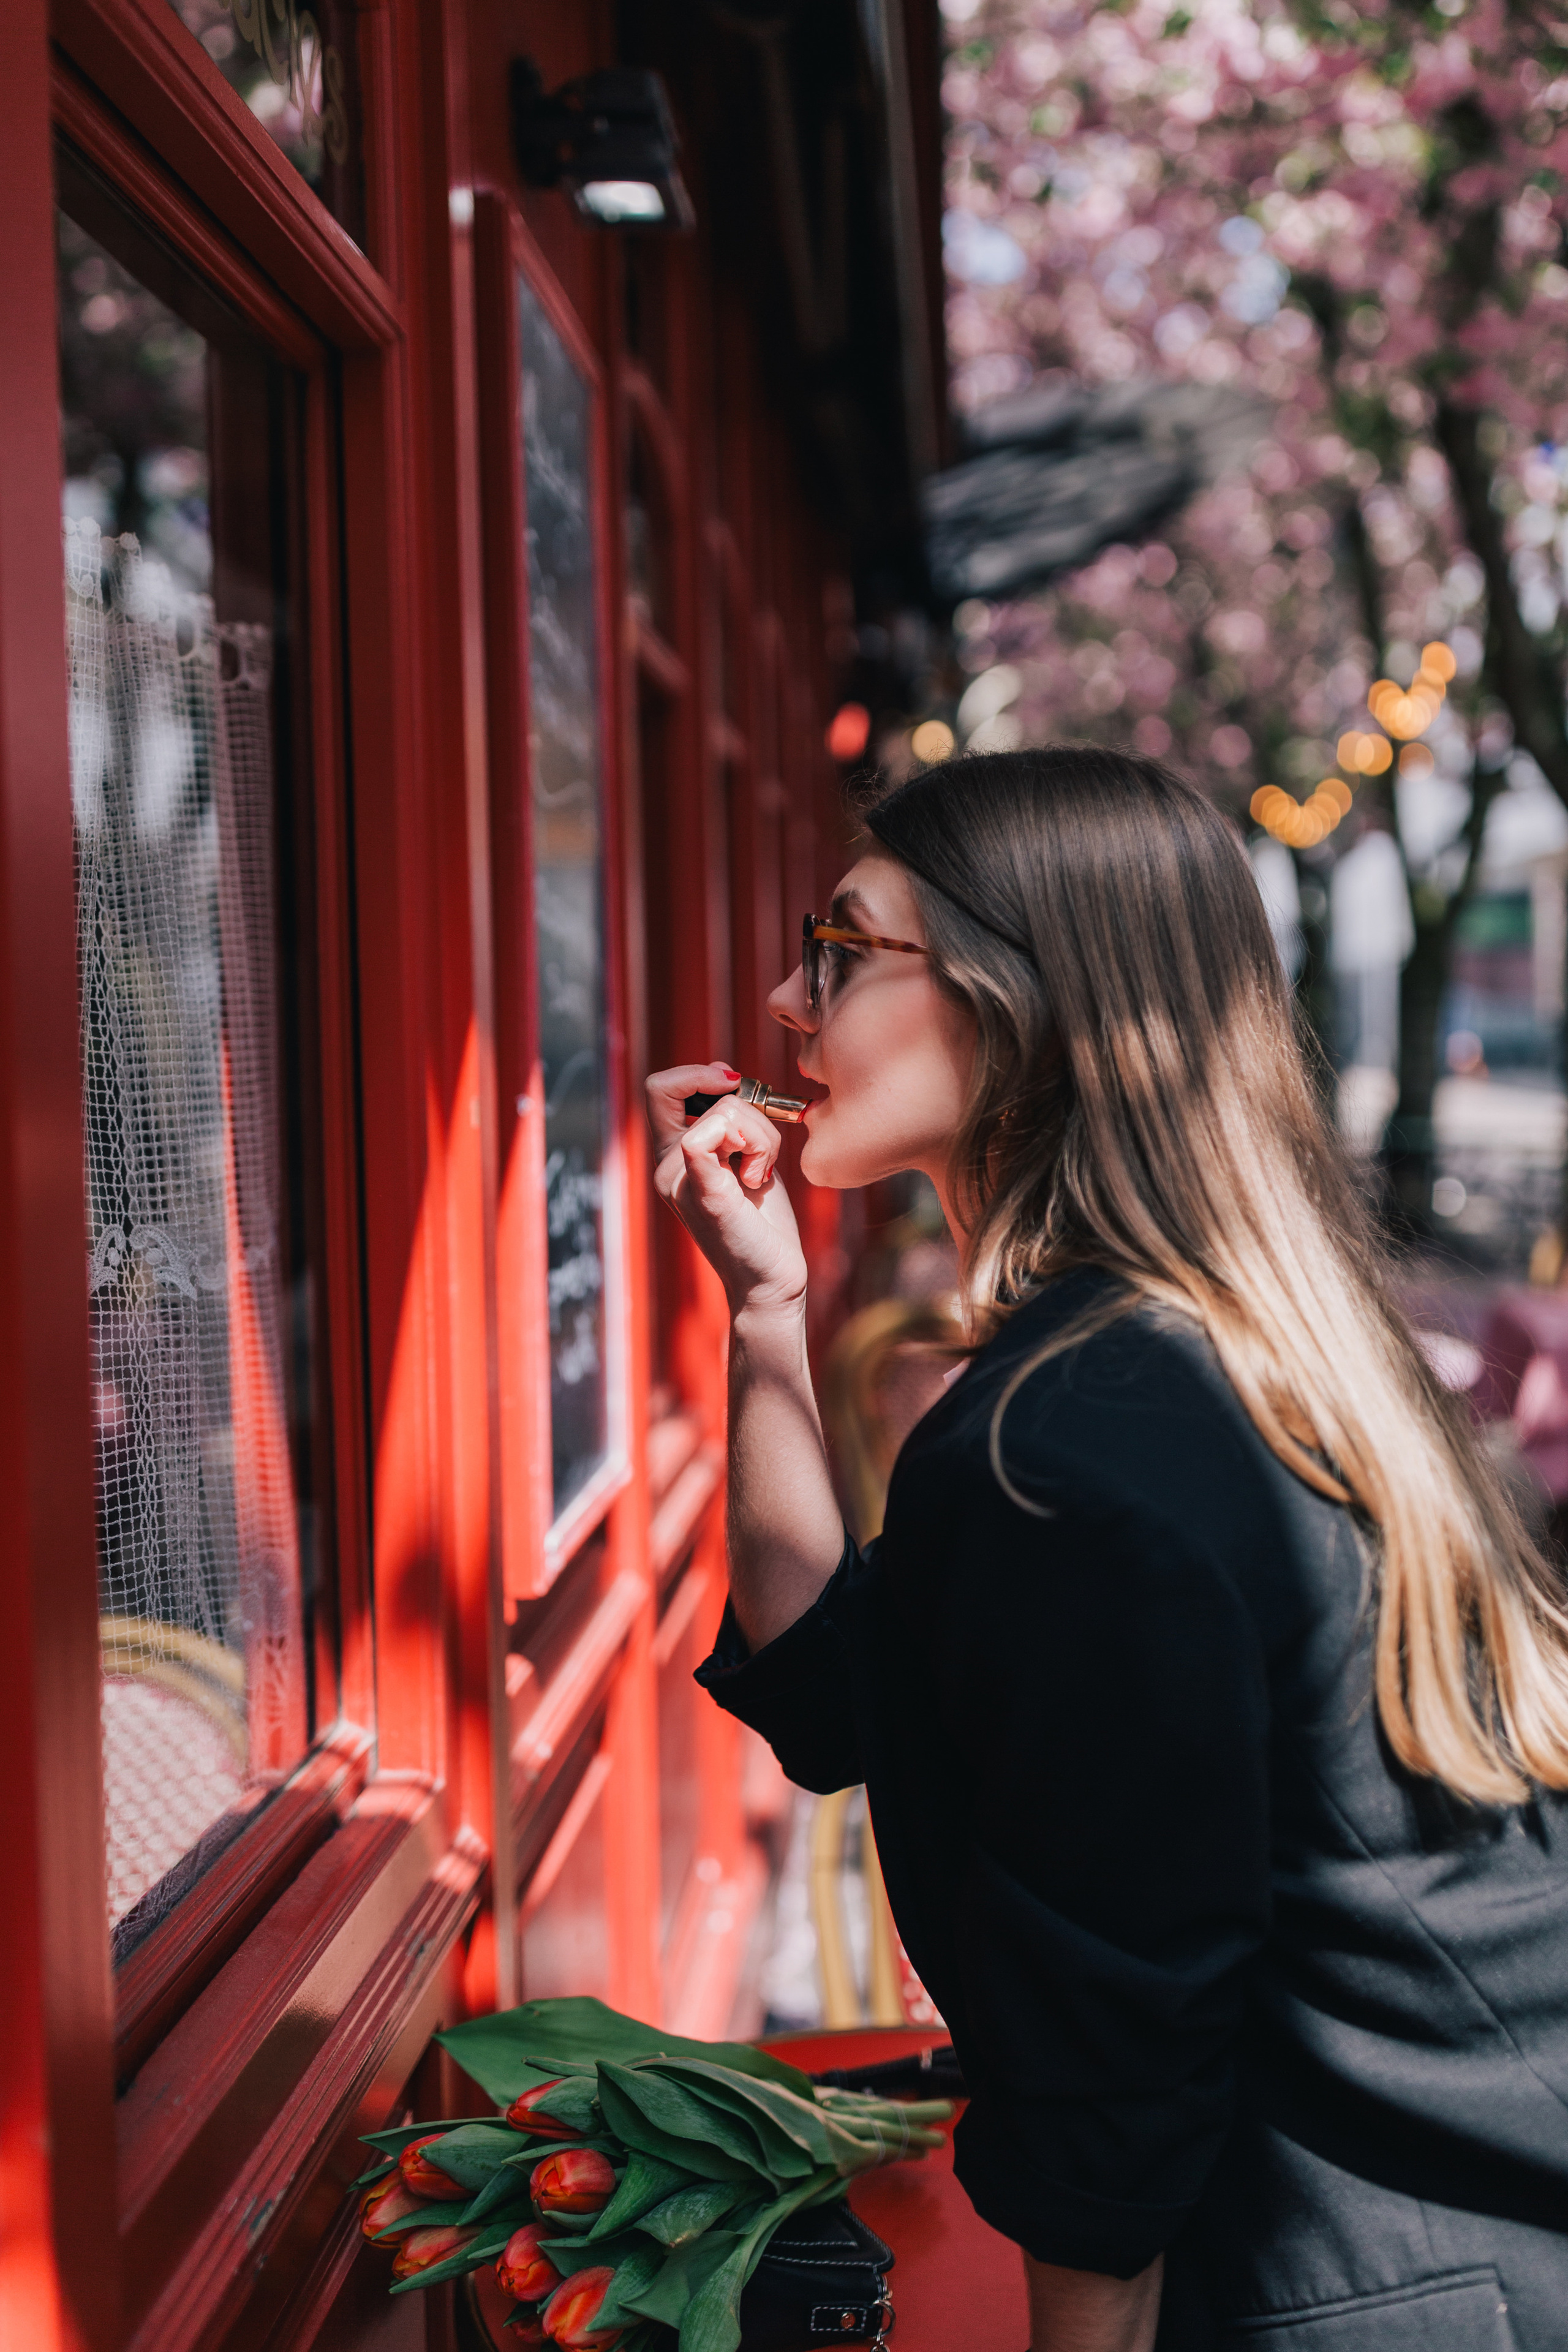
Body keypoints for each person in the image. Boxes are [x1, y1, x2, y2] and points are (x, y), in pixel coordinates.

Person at [644, 747, 1568, 2352]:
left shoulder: (1061, 1455)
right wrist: (769, 1312)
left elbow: (1110, 2090)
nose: (793, 1005)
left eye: (843, 950)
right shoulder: (1200, 1360)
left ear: (1017, 1005)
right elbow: (829, 1699)